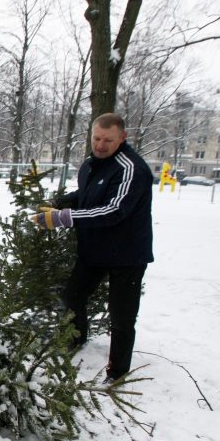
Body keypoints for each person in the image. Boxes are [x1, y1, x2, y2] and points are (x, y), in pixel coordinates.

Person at [30, 112, 153, 381]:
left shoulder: (131, 168)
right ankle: (76, 340)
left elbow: (113, 210)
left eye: (108, 139)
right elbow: (87, 196)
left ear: (122, 138)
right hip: (94, 251)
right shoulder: (89, 165)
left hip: (127, 254)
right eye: (96, 138)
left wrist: (62, 218)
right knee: (73, 295)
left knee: (122, 317)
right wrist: (63, 202)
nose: (100, 144)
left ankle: (117, 372)